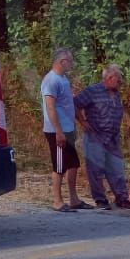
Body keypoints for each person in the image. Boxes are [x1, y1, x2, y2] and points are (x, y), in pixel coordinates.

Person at [74, 63, 130, 211]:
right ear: (110, 77)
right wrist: (82, 121)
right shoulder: (92, 91)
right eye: (118, 80)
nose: (120, 83)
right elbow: (75, 103)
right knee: (95, 171)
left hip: (112, 138)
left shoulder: (116, 93)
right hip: (95, 136)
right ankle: (100, 200)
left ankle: (122, 199)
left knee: (117, 170)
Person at [42, 49, 85, 211]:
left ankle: (74, 199)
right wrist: (58, 131)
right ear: (62, 62)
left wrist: (79, 121)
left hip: (68, 128)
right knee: (59, 166)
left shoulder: (63, 79)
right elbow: (50, 108)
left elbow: (69, 102)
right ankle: (57, 201)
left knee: (73, 163)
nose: (72, 64)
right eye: (70, 61)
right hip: (56, 131)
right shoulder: (50, 80)